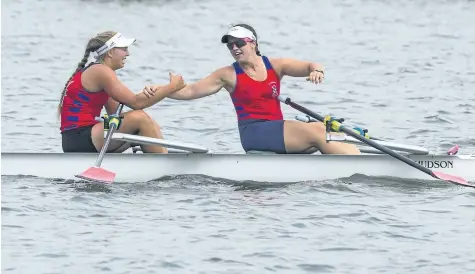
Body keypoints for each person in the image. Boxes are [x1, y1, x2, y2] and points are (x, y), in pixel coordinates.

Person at [145, 24, 360, 155]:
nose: (234, 48)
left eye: (239, 43)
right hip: (255, 132)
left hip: (277, 128)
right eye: (230, 45)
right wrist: (164, 90)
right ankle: (358, 167)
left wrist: (317, 72)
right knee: (316, 130)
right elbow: (190, 91)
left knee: (327, 129)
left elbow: (311, 65)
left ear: (253, 43)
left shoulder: (276, 65)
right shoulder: (227, 74)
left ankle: (356, 156)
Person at [59, 31, 185, 154]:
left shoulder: (99, 71)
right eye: (124, 49)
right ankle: (163, 164)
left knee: (145, 123)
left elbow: (115, 114)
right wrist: (172, 86)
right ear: (110, 52)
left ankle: (158, 158)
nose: (128, 54)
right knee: (141, 118)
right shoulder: (100, 71)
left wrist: (138, 131)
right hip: (79, 136)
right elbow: (136, 103)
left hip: (76, 139)